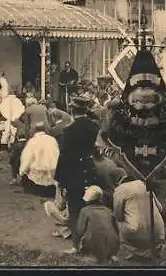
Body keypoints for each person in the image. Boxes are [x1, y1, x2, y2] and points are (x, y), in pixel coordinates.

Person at [54, 96, 100, 254]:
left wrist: (60, 179)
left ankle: (76, 245)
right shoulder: (94, 127)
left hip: (74, 172)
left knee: (75, 209)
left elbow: (65, 156)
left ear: (72, 110)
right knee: (93, 206)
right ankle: (93, 241)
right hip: (92, 168)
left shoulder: (69, 130)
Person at [113, 175, 165, 262]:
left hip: (137, 233)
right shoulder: (144, 185)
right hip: (158, 232)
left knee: (115, 218)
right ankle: (154, 249)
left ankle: (137, 252)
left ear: (121, 183)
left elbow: (118, 215)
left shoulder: (120, 189)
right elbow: (160, 208)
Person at [72, 185, 120, 263]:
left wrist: (76, 244)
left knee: (85, 241)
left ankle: (92, 255)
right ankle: (110, 255)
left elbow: (80, 230)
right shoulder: (108, 210)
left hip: (93, 244)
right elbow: (116, 229)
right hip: (113, 244)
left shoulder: (85, 211)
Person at [18, 122, 59, 197]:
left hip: (37, 172)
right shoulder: (52, 140)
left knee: (28, 175)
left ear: (34, 130)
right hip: (52, 171)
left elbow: (27, 158)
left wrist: (22, 172)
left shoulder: (33, 141)